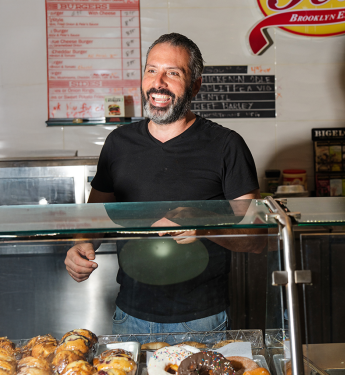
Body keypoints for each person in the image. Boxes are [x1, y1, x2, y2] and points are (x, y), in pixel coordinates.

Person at [64, 33, 261, 336]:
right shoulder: (119, 143)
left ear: (195, 85)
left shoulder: (226, 145)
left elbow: (257, 238)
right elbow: (96, 217)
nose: (159, 82)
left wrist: (205, 225)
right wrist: (82, 244)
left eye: (173, 73)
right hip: (129, 315)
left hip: (202, 322)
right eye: (151, 70)